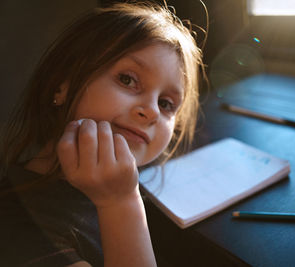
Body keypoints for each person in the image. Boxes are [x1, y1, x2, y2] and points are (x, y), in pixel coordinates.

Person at [0, 1, 205, 266]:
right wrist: (120, 202)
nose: (152, 112)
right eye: (127, 80)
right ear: (61, 84)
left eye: (166, 104)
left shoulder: (126, 181)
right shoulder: (13, 225)